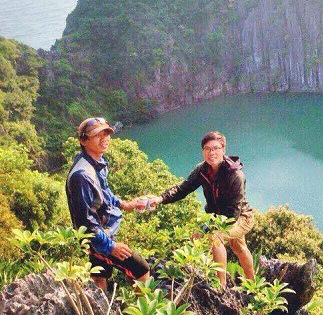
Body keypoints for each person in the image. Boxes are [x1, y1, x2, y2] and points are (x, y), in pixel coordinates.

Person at [149, 131, 255, 287]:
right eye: (207, 149)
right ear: (203, 151)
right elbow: (183, 189)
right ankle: (251, 284)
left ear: (223, 150)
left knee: (216, 238)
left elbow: (234, 211)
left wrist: (213, 228)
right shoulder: (202, 170)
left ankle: (221, 286)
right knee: (236, 246)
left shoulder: (235, 175)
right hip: (217, 217)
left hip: (241, 217)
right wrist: (160, 198)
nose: (211, 153)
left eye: (216, 148)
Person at [66, 117, 150, 291]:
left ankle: (102, 306)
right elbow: (85, 222)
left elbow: (103, 193)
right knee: (141, 270)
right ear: (83, 140)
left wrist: (125, 204)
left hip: (102, 233)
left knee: (99, 276)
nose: (104, 138)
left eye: (106, 133)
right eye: (97, 135)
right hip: (98, 237)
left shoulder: (94, 162)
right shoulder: (82, 175)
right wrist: (111, 246)